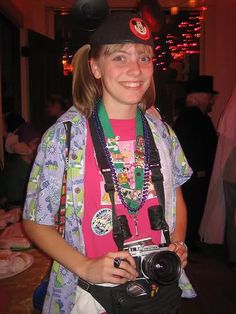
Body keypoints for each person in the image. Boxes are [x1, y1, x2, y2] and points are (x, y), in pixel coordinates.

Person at [23, 12, 193, 314]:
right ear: (95, 67)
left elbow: (176, 196)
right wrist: (86, 267)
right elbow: (35, 221)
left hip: (160, 287)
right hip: (94, 296)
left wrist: (176, 244)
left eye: (144, 58)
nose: (135, 70)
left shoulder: (163, 133)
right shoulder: (63, 138)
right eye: (119, 58)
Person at [173, 75, 218, 250]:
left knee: (194, 207)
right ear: (199, 96)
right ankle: (189, 242)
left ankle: (191, 240)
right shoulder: (193, 117)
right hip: (194, 174)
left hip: (195, 173)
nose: (211, 100)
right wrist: (199, 169)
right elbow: (192, 146)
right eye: (208, 96)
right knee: (192, 207)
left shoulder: (194, 116)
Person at [199, 85, 236, 271]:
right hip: (231, 174)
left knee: (232, 216)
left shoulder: (230, 112)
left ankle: (233, 256)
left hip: (230, 174)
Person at [0, 123, 41, 206]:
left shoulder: (36, 165)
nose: (39, 147)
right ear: (22, 146)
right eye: (35, 143)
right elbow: (15, 204)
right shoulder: (14, 170)